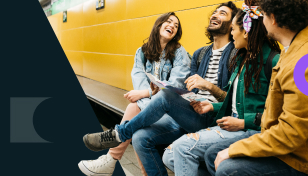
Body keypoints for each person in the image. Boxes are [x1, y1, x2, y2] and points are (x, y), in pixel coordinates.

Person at [82, 2, 239, 175]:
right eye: (214, 12)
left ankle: (118, 136)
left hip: (211, 116)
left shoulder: (236, 54)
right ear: (158, 24)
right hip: (188, 111)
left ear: (233, 24)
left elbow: (233, 99)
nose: (215, 15)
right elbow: (184, 90)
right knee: (140, 137)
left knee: (163, 97)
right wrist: (176, 96)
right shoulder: (199, 54)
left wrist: (208, 87)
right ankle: (115, 151)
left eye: (222, 13)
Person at [204, 0, 308, 176]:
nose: (260, 21)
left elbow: (291, 135)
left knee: (228, 169)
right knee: (213, 155)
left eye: (263, 15)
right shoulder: (305, 41)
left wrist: (233, 150)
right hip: (290, 143)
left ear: (273, 19)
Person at [162, 1, 281, 175]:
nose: (232, 34)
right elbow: (233, 102)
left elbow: (279, 114)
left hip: (248, 129)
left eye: (233, 29)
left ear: (246, 32)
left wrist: (243, 122)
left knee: (181, 149)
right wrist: (212, 106)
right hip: (228, 123)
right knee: (169, 156)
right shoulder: (241, 58)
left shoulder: (274, 61)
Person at [78, 12, 191, 176]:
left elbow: (176, 86)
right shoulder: (142, 52)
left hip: (172, 112)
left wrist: (146, 93)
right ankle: (123, 166)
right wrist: (147, 98)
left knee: (135, 109)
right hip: (148, 108)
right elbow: (138, 79)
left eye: (176, 25)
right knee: (138, 126)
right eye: (169, 21)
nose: (172, 26)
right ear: (159, 24)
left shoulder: (179, 53)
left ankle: (110, 160)